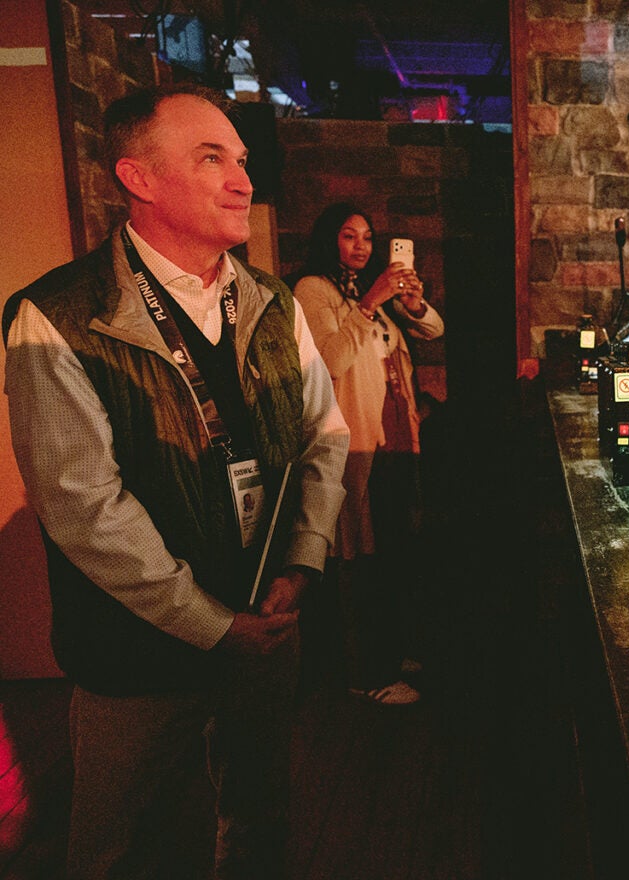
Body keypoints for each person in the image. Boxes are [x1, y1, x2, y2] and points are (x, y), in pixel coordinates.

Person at [2, 84, 349, 878]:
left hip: (269, 618)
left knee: (256, 823)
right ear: (139, 178)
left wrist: (301, 562)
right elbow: (84, 508)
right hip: (137, 653)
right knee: (120, 846)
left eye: (243, 160)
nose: (242, 181)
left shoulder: (270, 299)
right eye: (211, 158)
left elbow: (323, 437)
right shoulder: (56, 315)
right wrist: (210, 623)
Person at [292, 203, 444, 706]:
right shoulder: (313, 290)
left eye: (367, 237)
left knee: (396, 549)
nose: (361, 246)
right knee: (358, 556)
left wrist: (411, 304)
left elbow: (433, 330)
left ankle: (390, 649)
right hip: (356, 442)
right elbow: (330, 360)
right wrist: (370, 301)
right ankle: (364, 671)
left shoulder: (364, 292)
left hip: (395, 436)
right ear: (328, 240)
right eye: (348, 236)